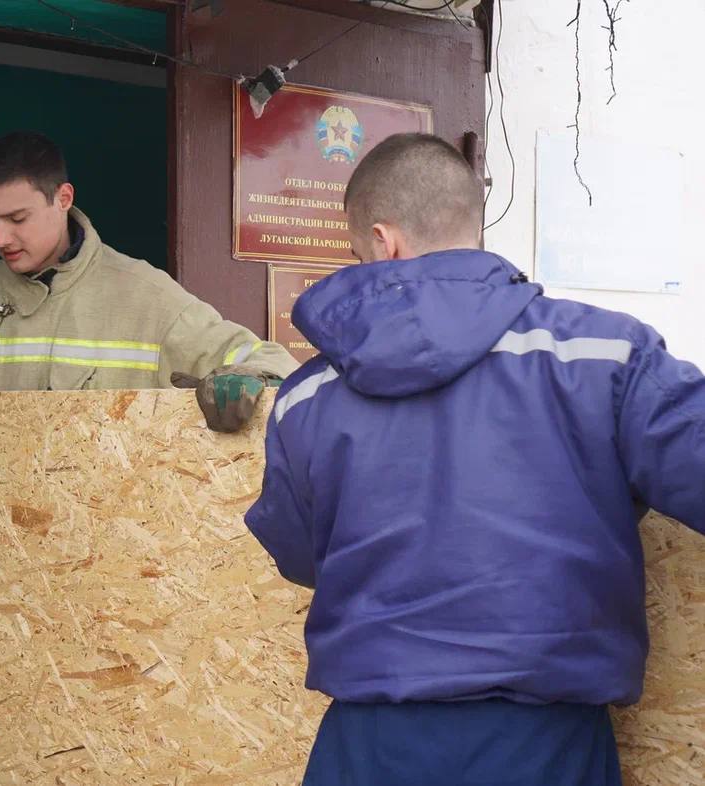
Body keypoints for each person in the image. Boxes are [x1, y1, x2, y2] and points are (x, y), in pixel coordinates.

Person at [245, 133, 705, 785]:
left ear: (382, 242)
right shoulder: (601, 356)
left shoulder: (308, 396)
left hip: (368, 746)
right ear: (470, 225)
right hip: (543, 746)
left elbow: (298, 556)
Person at [0, 131, 297, 432]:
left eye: (17, 218)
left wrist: (247, 377)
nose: (1, 238)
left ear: (63, 198)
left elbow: (273, 361)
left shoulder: (146, 294)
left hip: (100, 547)